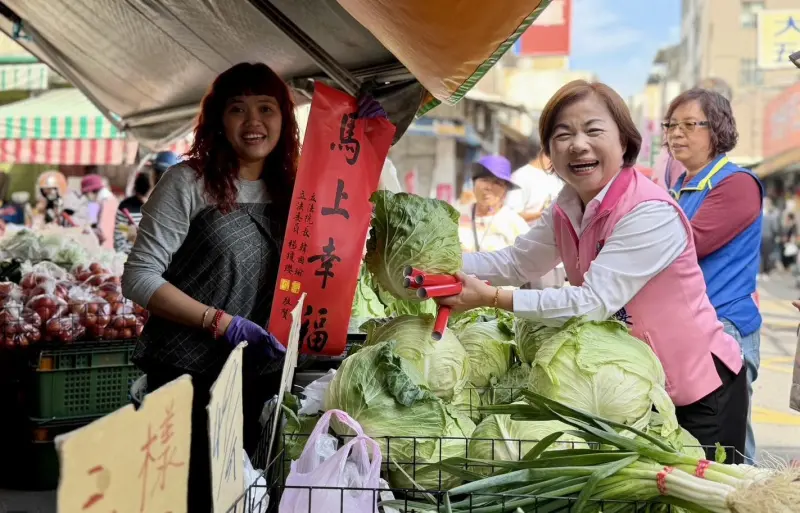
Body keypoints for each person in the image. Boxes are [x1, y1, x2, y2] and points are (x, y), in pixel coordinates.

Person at [437, 80, 747, 461]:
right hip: (635, 387)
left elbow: (593, 302)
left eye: (593, 130)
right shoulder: (567, 207)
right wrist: (439, 262)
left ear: (625, 142)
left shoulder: (650, 211)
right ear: (549, 149)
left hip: (700, 388)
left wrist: (493, 299)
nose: (577, 144)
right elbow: (516, 262)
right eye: (562, 134)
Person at [122, 62, 384, 511]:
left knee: (250, 496)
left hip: (260, 375)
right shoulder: (187, 183)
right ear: (218, 121)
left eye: (267, 108)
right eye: (237, 109)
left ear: (285, 118)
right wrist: (219, 322)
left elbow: (343, 234)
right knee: (197, 496)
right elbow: (139, 277)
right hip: (188, 374)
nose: (254, 122)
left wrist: (362, 138)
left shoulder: (298, 190)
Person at [664, 88, 763, 463]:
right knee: (705, 445)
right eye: (671, 125)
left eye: (690, 124)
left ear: (717, 129)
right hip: (693, 328)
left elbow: (686, 244)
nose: (676, 134)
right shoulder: (681, 186)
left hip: (725, 329)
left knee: (731, 446)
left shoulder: (736, 184)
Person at [458, 155, 529, 253]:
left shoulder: (515, 224)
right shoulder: (454, 215)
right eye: (485, 180)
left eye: (497, 183)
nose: (489, 187)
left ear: (505, 190)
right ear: (474, 183)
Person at [506, 150, 563, 224]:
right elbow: (510, 217)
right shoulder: (521, 176)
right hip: (527, 233)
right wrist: (543, 214)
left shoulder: (558, 179)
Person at [114, 173, 152, 253]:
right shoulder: (125, 207)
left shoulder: (159, 206)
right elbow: (120, 233)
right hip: (131, 255)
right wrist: (129, 230)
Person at [80, 174, 119, 249]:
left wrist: (88, 232)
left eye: (85, 193)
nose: (85, 197)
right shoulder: (94, 203)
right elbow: (91, 223)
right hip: (99, 246)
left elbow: (103, 233)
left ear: (91, 191)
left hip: (107, 248)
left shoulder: (108, 201)